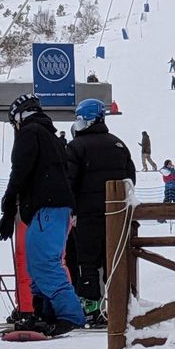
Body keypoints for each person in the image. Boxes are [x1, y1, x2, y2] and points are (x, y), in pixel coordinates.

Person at [0, 94, 85, 336]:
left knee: (44, 263)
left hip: (48, 208)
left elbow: (20, 170)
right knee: (36, 265)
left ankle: (70, 315)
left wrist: (8, 206)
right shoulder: (51, 137)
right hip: (54, 208)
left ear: (19, 116)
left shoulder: (29, 133)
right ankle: (44, 312)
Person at [64, 98, 136, 326]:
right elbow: (130, 179)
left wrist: (72, 208)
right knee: (113, 259)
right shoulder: (119, 145)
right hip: (116, 215)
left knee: (87, 261)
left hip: (85, 215)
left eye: (80, 119)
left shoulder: (75, 148)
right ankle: (118, 304)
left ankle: (91, 307)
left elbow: (68, 181)